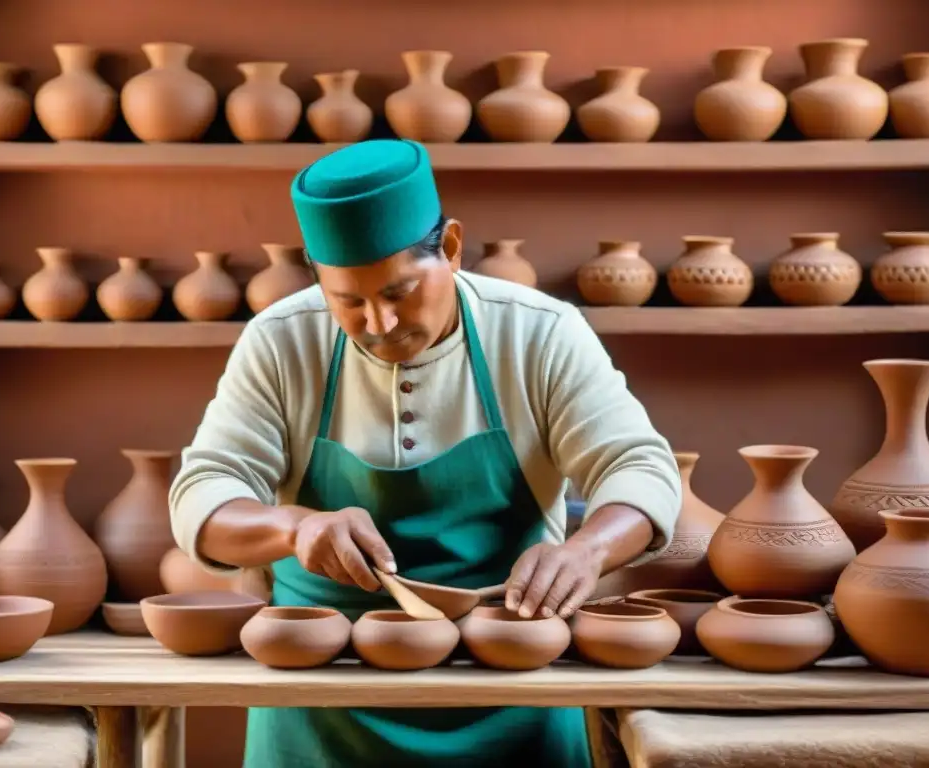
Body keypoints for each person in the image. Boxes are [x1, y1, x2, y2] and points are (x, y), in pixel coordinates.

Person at [169, 138, 682, 768]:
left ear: (453, 248)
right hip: (322, 693)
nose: (379, 323)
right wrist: (293, 526)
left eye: (400, 292)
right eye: (348, 302)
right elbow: (204, 494)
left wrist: (589, 548)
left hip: (507, 679)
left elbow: (639, 467)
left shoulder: (539, 331)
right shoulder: (281, 339)